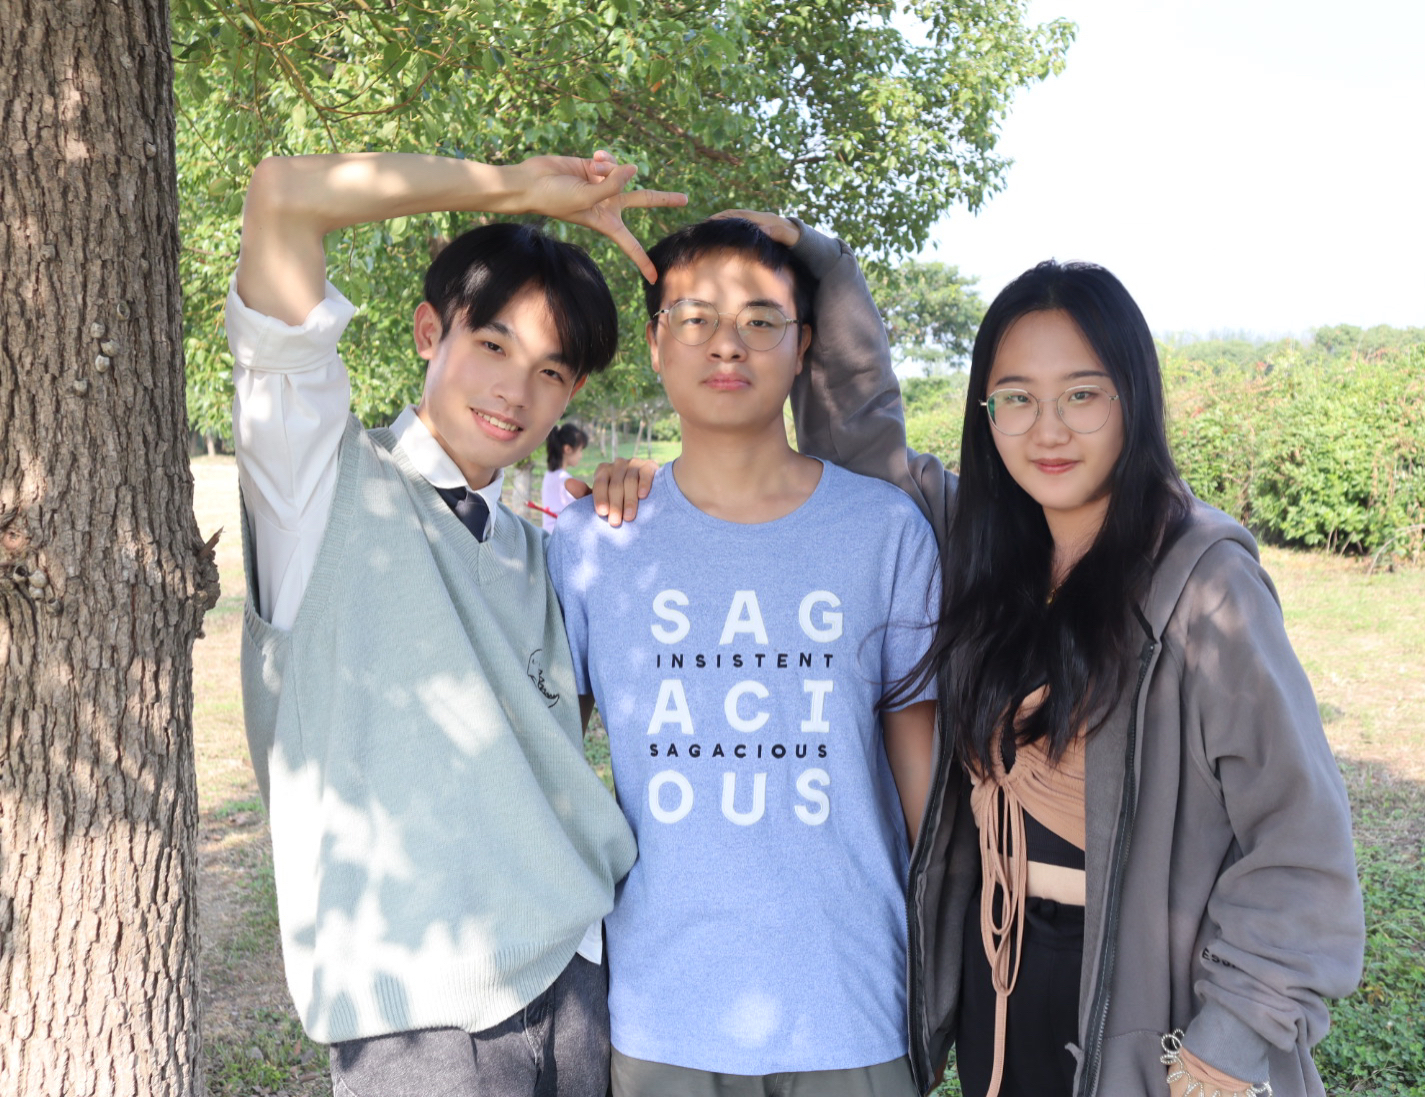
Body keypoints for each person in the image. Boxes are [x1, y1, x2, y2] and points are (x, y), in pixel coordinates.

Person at [779, 240, 1364, 1094]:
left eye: (1081, 395)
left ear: (1133, 398)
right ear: (986, 411)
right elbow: (862, 452)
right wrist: (822, 268)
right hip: (1002, 979)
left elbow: (1298, 835)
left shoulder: (1203, 582)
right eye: (1017, 398)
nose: (1047, 429)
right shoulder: (982, 553)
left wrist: (1224, 1049)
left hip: (1144, 996)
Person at [229, 149, 683, 1097]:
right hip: (418, 1025)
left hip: (582, 985)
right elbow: (282, 198)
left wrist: (645, 498)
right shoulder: (319, 480)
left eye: (551, 370)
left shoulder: (538, 550)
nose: (516, 391)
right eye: (494, 346)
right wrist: (515, 189)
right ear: (430, 331)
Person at [545, 215, 940, 1097]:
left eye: (762, 321)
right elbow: (547, 764)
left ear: (804, 347)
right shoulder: (590, 542)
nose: (729, 344)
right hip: (663, 1012)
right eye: (696, 318)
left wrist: (951, 977)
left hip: (850, 1004)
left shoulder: (884, 532)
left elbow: (927, 796)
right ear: (656, 344)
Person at [540, 422, 590, 531]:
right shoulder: (565, 480)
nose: (581, 456)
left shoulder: (549, 475)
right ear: (567, 449)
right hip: (560, 535)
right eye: (580, 450)